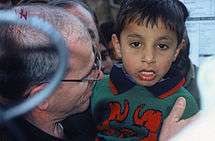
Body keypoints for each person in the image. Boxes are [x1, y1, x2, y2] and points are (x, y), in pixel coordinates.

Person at [91, 0, 199, 140]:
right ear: (117, 46)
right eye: (136, 44)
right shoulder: (97, 88)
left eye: (162, 46)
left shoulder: (182, 105)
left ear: (176, 51)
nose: (149, 58)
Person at [0, 4, 102, 140]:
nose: (100, 76)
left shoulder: (94, 113)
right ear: (42, 97)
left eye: (96, 60)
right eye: (87, 76)